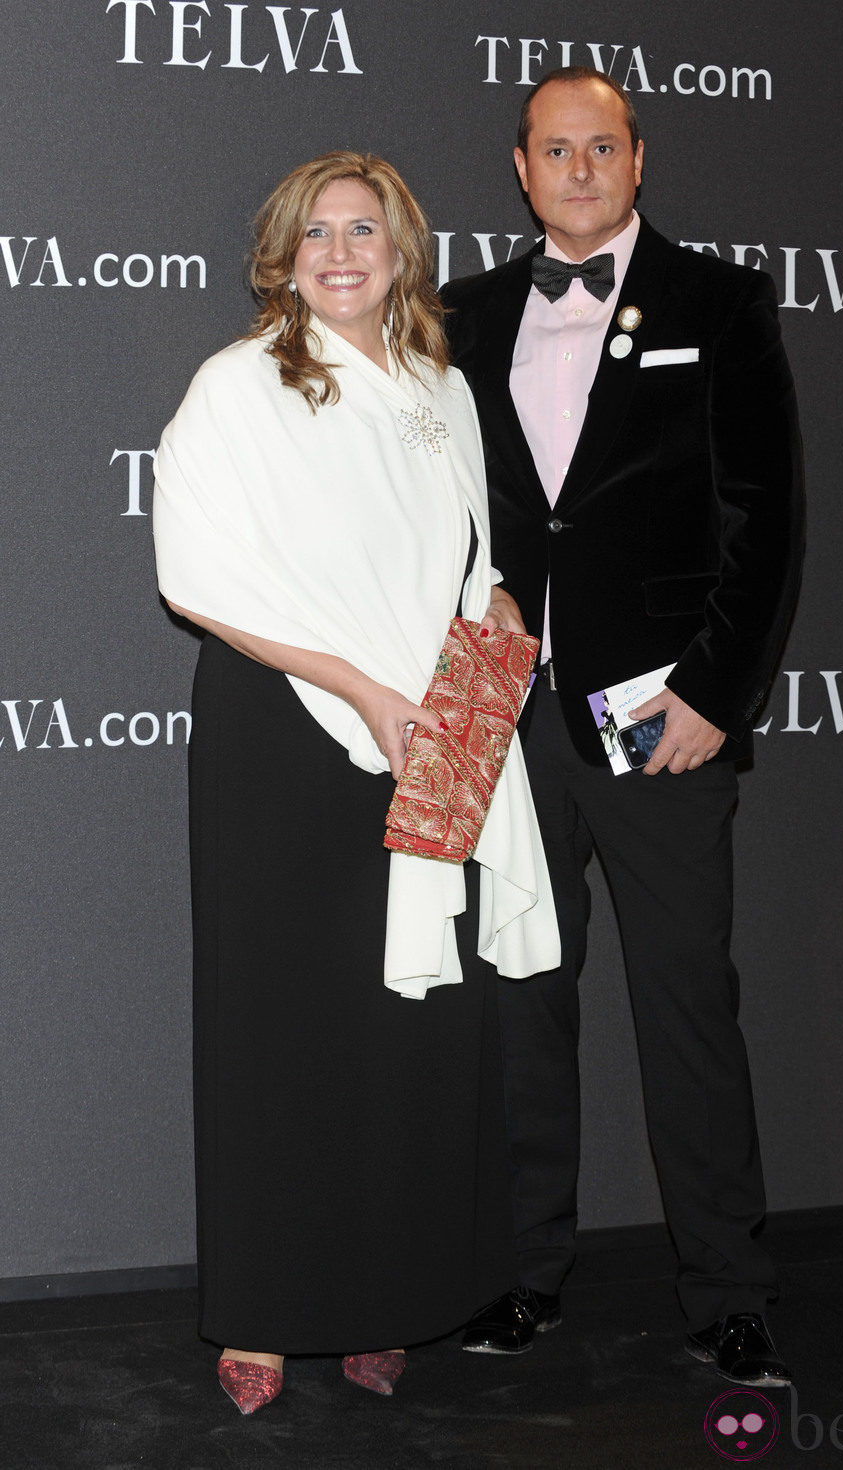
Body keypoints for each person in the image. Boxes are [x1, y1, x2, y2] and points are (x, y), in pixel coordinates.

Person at [152, 151, 559, 1415]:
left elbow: (475, 562)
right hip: (285, 732)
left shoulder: (440, 386)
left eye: (364, 230)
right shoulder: (238, 385)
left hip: (426, 732)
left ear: (402, 252)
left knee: (407, 1032)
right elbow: (194, 578)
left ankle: (387, 1297)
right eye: (315, 231)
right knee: (282, 1034)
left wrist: (495, 638)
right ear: (282, 254)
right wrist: (362, 688)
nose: (341, 250)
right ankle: (269, 1313)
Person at [441, 68, 805, 1387]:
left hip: (660, 717)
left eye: (604, 146)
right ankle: (516, 1272)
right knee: (514, 1006)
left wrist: (713, 690)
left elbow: (765, 517)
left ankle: (727, 1292)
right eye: (556, 149)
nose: (581, 168)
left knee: (686, 1005)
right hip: (496, 706)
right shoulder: (460, 313)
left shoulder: (719, 301)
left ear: (638, 161)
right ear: (522, 169)